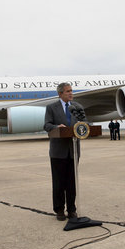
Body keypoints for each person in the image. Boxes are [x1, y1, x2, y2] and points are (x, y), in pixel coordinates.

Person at [44, 82, 86, 221]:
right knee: (59, 182)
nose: (70, 93)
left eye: (71, 90)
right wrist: (58, 126)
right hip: (58, 151)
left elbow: (85, 122)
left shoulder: (77, 107)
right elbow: (47, 125)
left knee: (71, 182)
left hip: (73, 150)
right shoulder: (51, 108)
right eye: (67, 91)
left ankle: (72, 210)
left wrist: (84, 126)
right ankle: (59, 210)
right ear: (60, 93)